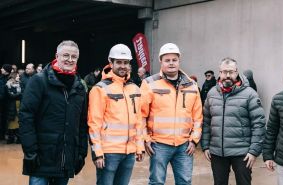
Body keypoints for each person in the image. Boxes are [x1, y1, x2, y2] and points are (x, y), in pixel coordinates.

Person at [19, 40, 88, 185]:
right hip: (41, 158)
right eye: (66, 55)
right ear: (57, 56)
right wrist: (30, 152)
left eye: (73, 57)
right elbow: (26, 117)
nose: (70, 60)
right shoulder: (39, 81)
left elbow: (82, 123)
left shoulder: (79, 87)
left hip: (66, 159)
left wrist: (81, 152)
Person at [140, 43, 203, 185]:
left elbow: (198, 117)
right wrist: (146, 138)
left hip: (184, 145)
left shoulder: (192, 85)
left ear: (179, 61)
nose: (171, 63)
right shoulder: (149, 84)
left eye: (174, 60)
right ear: (161, 62)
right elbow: (141, 115)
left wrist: (194, 140)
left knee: (185, 182)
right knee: (156, 182)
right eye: (167, 60)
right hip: (159, 144)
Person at [201, 57, 266, 185]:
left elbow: (259, 123)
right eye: (224, 72)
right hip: (217, 152)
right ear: (219, 73)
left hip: (242, 153)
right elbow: (206, 121)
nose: (228, 75)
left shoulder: (250, 94)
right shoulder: (212, 93)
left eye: (231, 72)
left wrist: (254, 151)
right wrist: (205, 145)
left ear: (237, 72)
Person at [88, 44, 144, 185]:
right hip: (108, 153)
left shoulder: (135, 89)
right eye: (118, 62)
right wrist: (97, 153)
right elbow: (94, 123)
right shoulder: (100, 89)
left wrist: (139, 146)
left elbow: (138, 120)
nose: (122, 66)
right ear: (110, 62)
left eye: (125, 62)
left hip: (129, 153)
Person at [6, 72, 22, 144]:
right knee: (11, 122)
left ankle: (18, 138)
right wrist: (19, 94)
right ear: (13, 77)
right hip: (11, 106)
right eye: (18, 76)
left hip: (18, 105)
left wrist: (16, 94)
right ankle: (11, 138)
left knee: (18, 122)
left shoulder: (20, 84)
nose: (19, 77)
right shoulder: (8, 85)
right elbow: (11, 96)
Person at [0, 64, 12, 140]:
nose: (1, 69)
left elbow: (3, 93)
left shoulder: (8, 79)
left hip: (4, 103)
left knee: (3, 119)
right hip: (3, 103)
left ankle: (2, 135)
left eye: (3, 68)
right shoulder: (2, 78)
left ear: (6, 71)